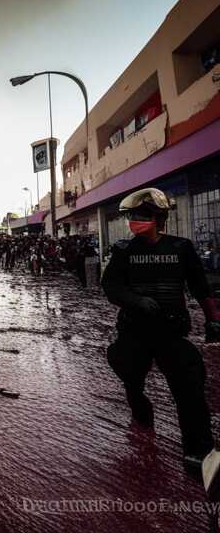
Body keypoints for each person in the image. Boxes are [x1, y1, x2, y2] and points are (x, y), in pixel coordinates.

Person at [101, 187, 220, 495]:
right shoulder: (125, 251)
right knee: (129, 375)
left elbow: (200, 287)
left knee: (190, 390)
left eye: (141, 216)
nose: (134, 222)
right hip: (134, 332)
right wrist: (136, 300)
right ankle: (141, 413)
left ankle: (198, 452)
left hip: (171, 333)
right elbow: (110, 287)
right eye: (132, 217)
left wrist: (213, 320)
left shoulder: (182, 248)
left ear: (157, 218)